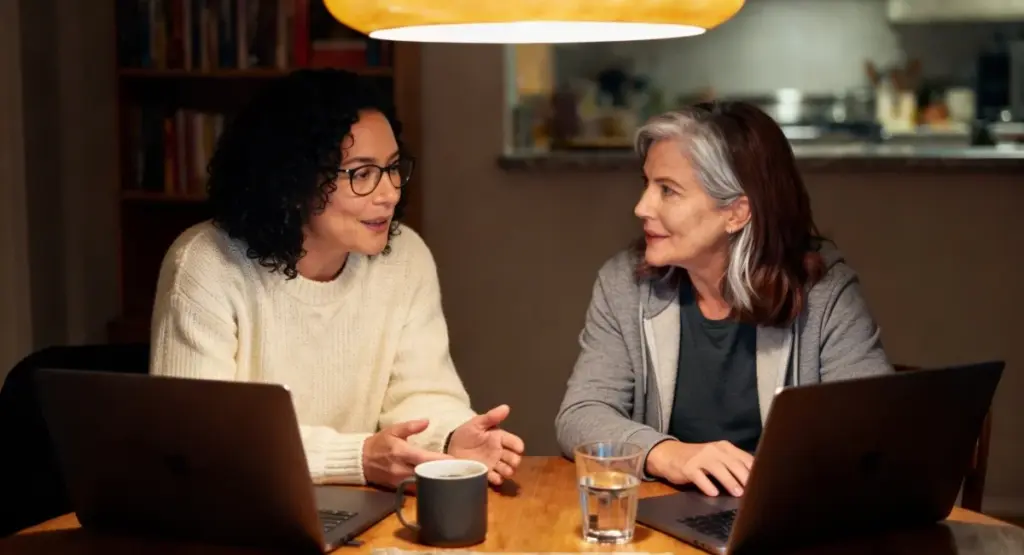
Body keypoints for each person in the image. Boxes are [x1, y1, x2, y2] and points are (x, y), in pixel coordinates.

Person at [149, 69, 524, 489]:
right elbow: (200, 439)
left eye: (394, 167)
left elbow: (421, 392)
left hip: (359, 507)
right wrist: (357, 459)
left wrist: (451, 438)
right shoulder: (206, 264)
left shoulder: (404, 256)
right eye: (362, 174)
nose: (391, 193)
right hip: (234, 517)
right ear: (292, 181)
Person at [554, 102, 892, 498]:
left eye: (668, 190)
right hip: (668, 516)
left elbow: (873, 431)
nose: (642, 207)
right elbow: (581, 414)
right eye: (646, 184)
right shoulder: (625, 284)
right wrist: (668, 454)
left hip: (784, 518)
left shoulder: (823, 290)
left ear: (736, 213)